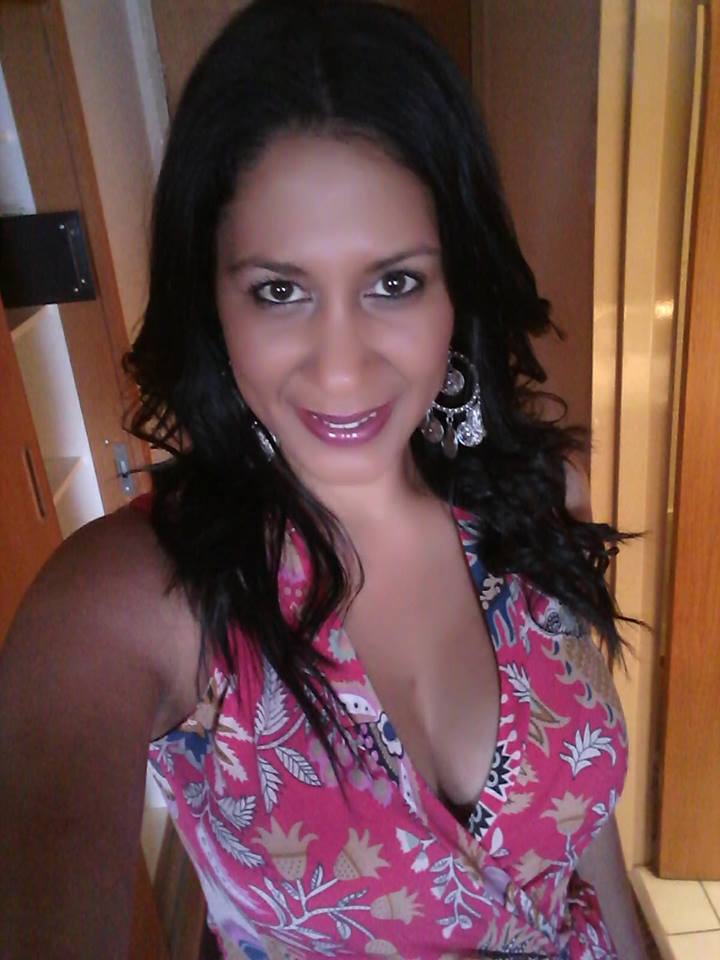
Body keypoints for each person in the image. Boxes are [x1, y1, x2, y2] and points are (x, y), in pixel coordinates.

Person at [0, 1, 650, 957]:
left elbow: (582, 827)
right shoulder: (134, 601)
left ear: (457, 284)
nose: (342, 371)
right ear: (212, 302)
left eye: (394, 282)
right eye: (280, 290)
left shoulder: (535, 496)